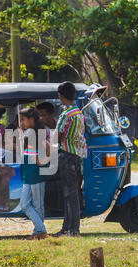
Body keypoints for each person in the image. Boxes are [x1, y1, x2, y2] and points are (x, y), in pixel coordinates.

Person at [53, 81, 88, 237]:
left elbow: (57, 137)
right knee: (73, 193)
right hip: (77, 156)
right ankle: (68, 229)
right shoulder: (79, 113)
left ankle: (72, 230)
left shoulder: (65, 115)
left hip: (66, 155)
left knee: (69, 194)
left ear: (61, 96)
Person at [19, 108, 51, 240]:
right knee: (24, 204)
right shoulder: (28, 132)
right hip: (28, 173)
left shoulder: (38, 133)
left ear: (31, 120)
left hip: (36, 174)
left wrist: (44, 161)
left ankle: (38, 233)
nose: (22, 122)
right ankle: (40, 230)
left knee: (38, 205)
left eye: (23, 119)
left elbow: (49, 149)